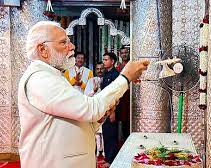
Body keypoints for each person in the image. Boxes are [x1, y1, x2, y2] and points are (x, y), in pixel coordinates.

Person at [18, 21, 149, 168]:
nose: (72, 47)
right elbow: (90, 109)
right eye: (63, 42)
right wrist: (125, 77)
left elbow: (72, 121)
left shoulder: (52, 75)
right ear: (43, 50)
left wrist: (100, 117)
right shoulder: (40, 78)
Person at [101, 52, 120, 165]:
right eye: (103, 59)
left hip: (111, 109)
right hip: (105, 109)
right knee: (106, 134)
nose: (104, 62)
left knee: (111, 134)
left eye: (106, 59)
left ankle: (112, 160)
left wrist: (113, 112)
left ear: (112, 61)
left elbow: (116, 95)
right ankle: (108, 158)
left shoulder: (115, 75)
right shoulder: (106, 74)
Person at [84, 62, 105, 157]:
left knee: (104, 132)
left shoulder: (106, 79)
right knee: (96, 132)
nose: (99, 71)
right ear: (95, 70)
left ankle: (104, 152)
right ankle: (97, 152)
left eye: (101, 68)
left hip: (105, 109)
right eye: (98, 69)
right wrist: (94, 91)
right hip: (94, 108)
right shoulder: (91, 81)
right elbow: (86, 95)